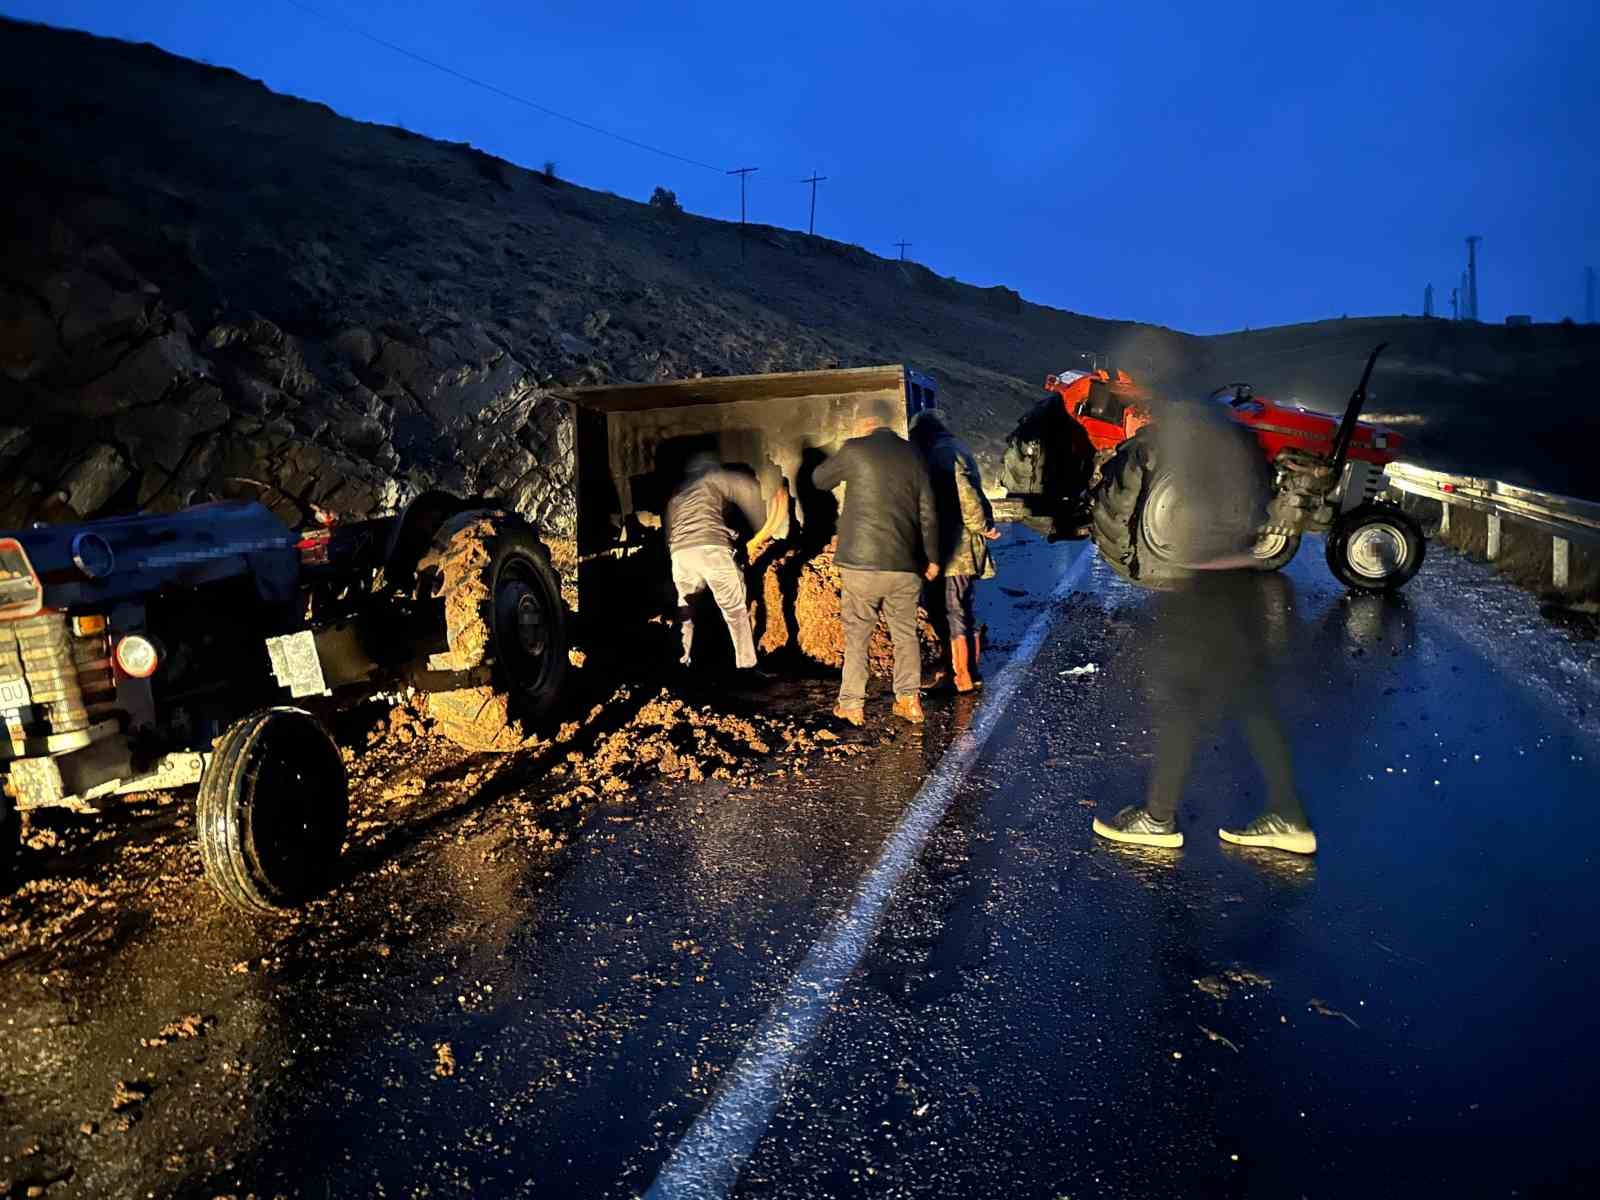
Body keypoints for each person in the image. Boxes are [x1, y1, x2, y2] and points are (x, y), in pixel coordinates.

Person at [812, 415, 940, 726]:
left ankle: (852, 705)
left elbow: (820, 480)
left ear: (863, 427)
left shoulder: (856, 449)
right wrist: (933, 558)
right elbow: (928, 512)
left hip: (861, 564)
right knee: (905, 633)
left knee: (858, 634)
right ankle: (909, 701)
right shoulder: (913, 455)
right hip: (905, 563)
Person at [665, 452, 787, 678]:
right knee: (735, 611)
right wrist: (763, 526)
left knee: (686, 612)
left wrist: (731, 534)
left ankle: (681, 665)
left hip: (680, 555)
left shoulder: (678, 495)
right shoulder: (712, 476)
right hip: (712, 551)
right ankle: (747, 667)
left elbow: (672, 531)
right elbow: (747, 489)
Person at [909, 409, 1001, 693]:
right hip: (962, 545)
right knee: (962, 606)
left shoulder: (942, 453)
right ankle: (968, 672)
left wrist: (981, 526)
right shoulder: (955, 447)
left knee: (953, 607)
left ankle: (961, 676)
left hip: (955, 546)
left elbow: (967, 496)